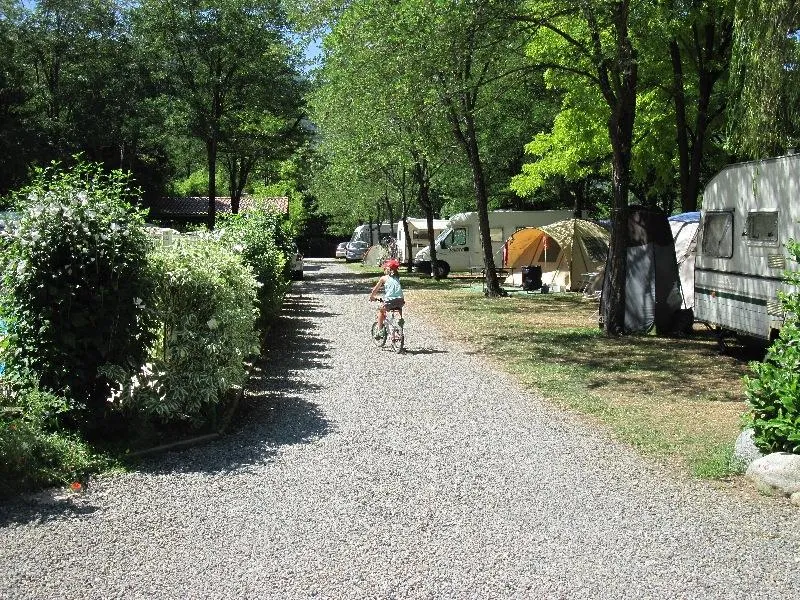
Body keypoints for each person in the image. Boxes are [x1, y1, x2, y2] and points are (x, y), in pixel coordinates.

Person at [369, 258, 405, 338]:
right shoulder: (397, 278)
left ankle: (380, 330)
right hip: (401, 300)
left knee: (381, 311)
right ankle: (400, 321)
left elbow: (375, 289)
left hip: (390, 301)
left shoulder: (383, 278)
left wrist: (372, 297)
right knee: (398, 308)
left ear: (387, 269)